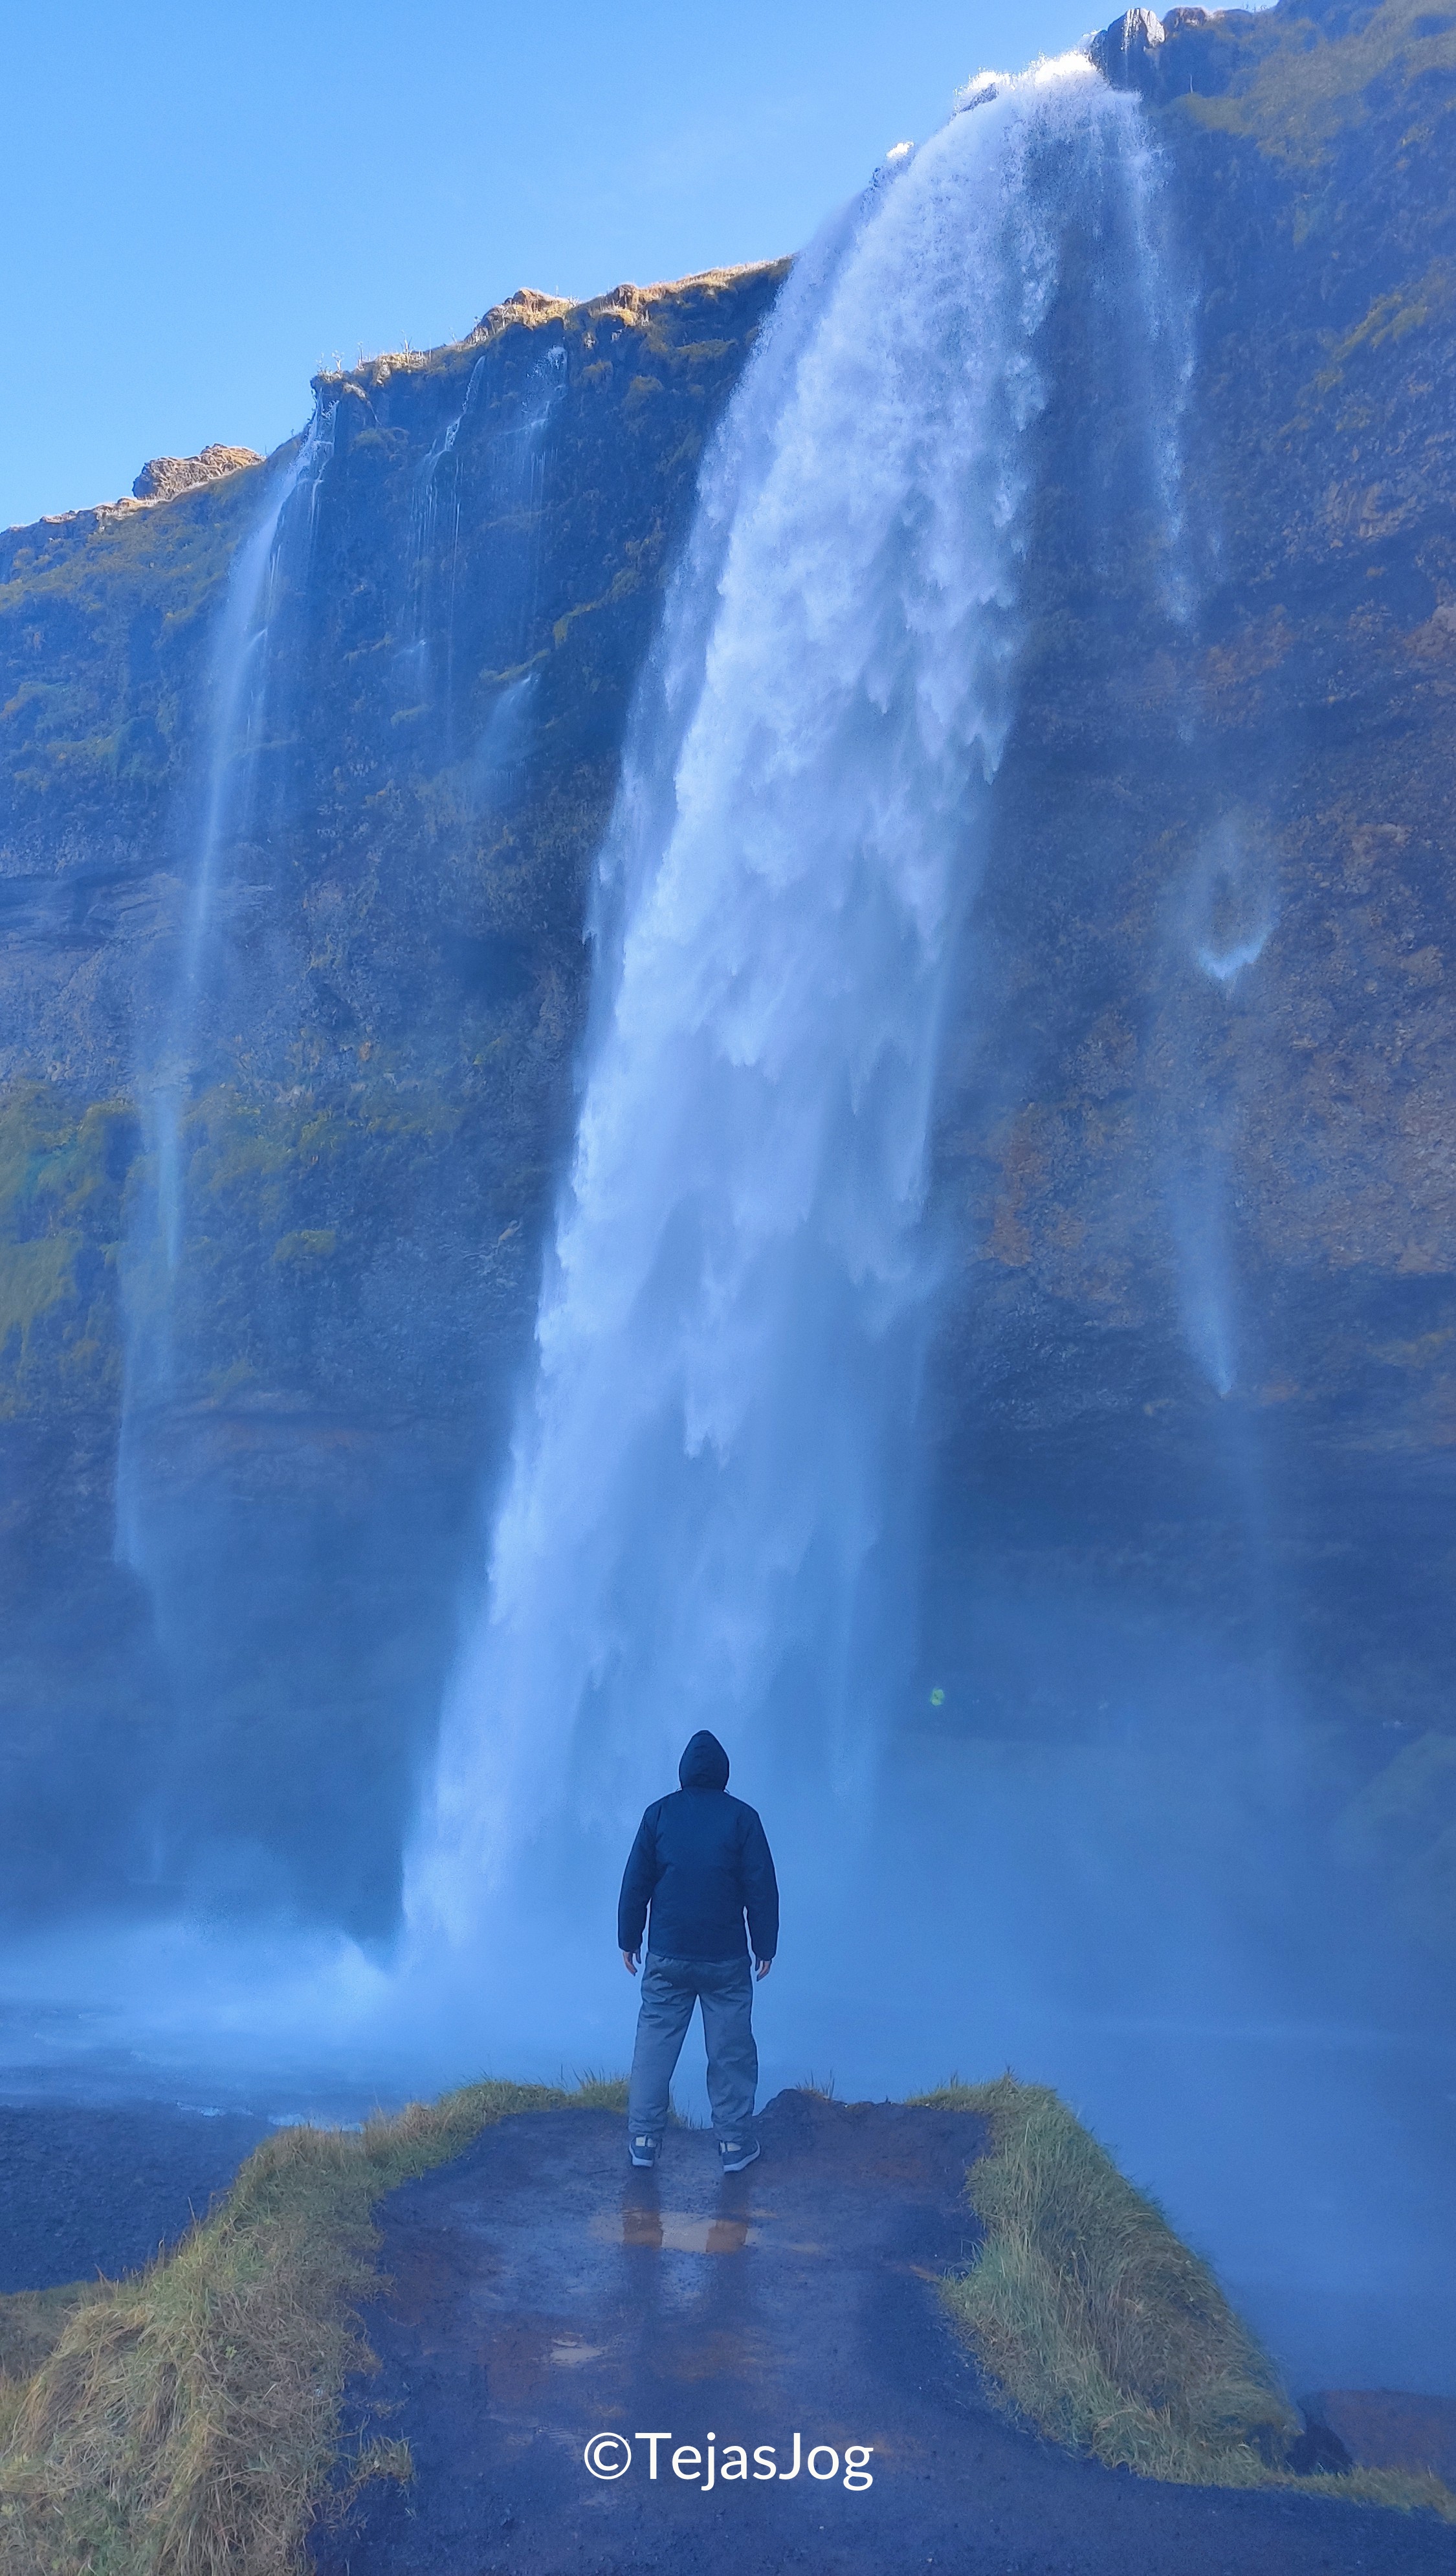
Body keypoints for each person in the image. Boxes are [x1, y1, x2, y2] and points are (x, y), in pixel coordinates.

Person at [617, 1728, 778, 2173]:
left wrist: (629, 1939)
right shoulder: (743, 1818)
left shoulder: (658, 1815)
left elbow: (636, 1884)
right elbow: (761, 1888)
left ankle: (644, 2141)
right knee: (730, 2050)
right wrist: (765, 1945)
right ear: (724, 1774)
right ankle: (734, 2146)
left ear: (684, 1773)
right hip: (725, 1959)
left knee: (654, 2045)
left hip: (667, 1954)